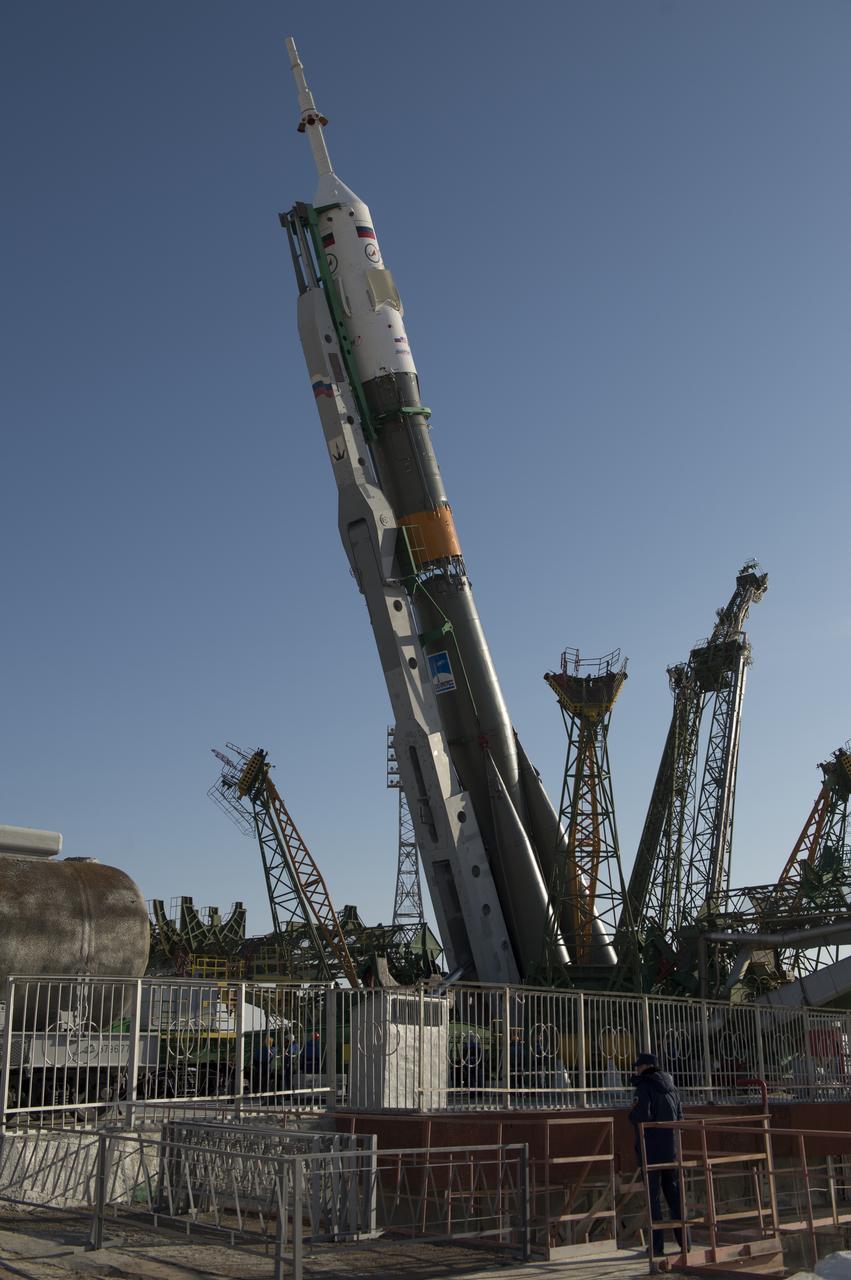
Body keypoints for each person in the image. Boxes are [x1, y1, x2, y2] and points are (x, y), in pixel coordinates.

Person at [628, 1052, 688, 1268]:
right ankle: (685, 1241)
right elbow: (680, 1115)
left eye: (638, 1066)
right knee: (673, 1195)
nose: (636, 1070)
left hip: (651, 1149)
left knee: (653, 1199)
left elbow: (642, 1115)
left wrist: (631, 1115)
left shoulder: (645, 1087)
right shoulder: (672, 1087)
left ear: (646, 1067)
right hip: (671, 1149)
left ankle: (657, 1245)